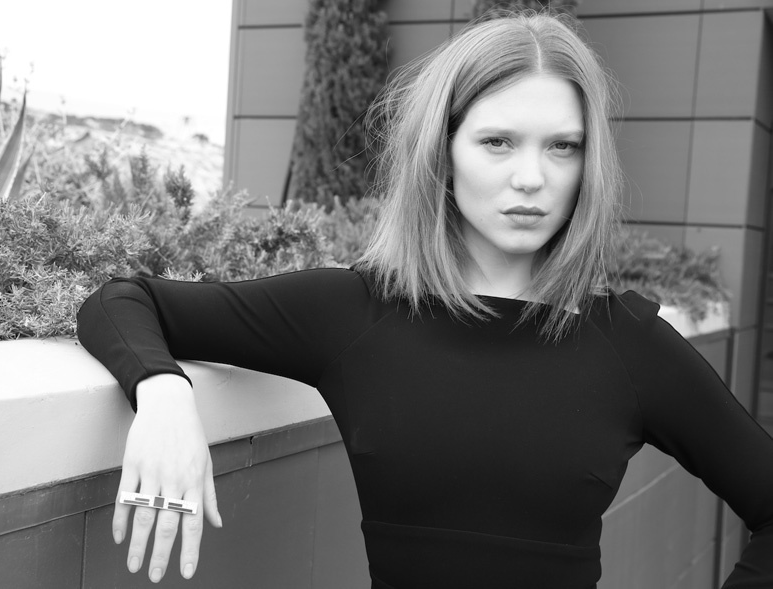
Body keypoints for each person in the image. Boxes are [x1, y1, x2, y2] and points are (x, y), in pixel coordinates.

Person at [77, 10, 773, 588]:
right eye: (497, 141)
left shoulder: (627, 344)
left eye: (562, 147)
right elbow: (123, 302)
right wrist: (163, 394)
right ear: (441, 152)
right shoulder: (354, 311)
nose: (531, 177)